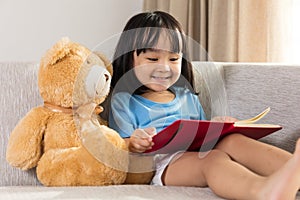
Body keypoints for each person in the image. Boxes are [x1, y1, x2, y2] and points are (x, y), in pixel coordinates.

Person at [108, 11, 300, 200]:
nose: (164, 67)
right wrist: (134, 142)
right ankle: (263, 192)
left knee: (234, 140)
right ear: (130, 59)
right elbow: (116, 145)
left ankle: (295, 172)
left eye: (174, 59)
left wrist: (218, 126)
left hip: (197, 151)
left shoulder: (187, 96)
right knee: (213, 160)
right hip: (161, 164)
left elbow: (200, 132)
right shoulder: (124, 101)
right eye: (152, 59)